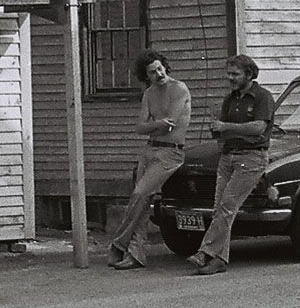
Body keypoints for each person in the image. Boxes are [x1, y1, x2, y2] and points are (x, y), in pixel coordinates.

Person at [188, 54, 275, 276]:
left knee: (228, 205)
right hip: (228, 156)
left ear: (249, 74)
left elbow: (258, 128)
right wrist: (218, 130)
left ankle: (205, 252)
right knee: (220, 208)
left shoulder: (262, 97)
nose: (230, 78)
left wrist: (226, 126)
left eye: (235, 74)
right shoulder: (230, 99)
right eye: (228, 74)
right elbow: (222, 131)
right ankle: (220, 258)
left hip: (251, 157)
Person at [108, 49, 191, 270]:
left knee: (139, 193)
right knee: (142, 204)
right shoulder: (149, 94)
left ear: (165, 67)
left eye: (160, 69)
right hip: (149, 150)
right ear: (147, 76)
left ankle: (118, 243)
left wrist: (153, 125)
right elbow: (139, 127)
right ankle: (136, 255)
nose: (159, 75)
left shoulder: (179, 88)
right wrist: (157, 125)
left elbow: (170, 122)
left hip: (171, 152)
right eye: (153, 73)